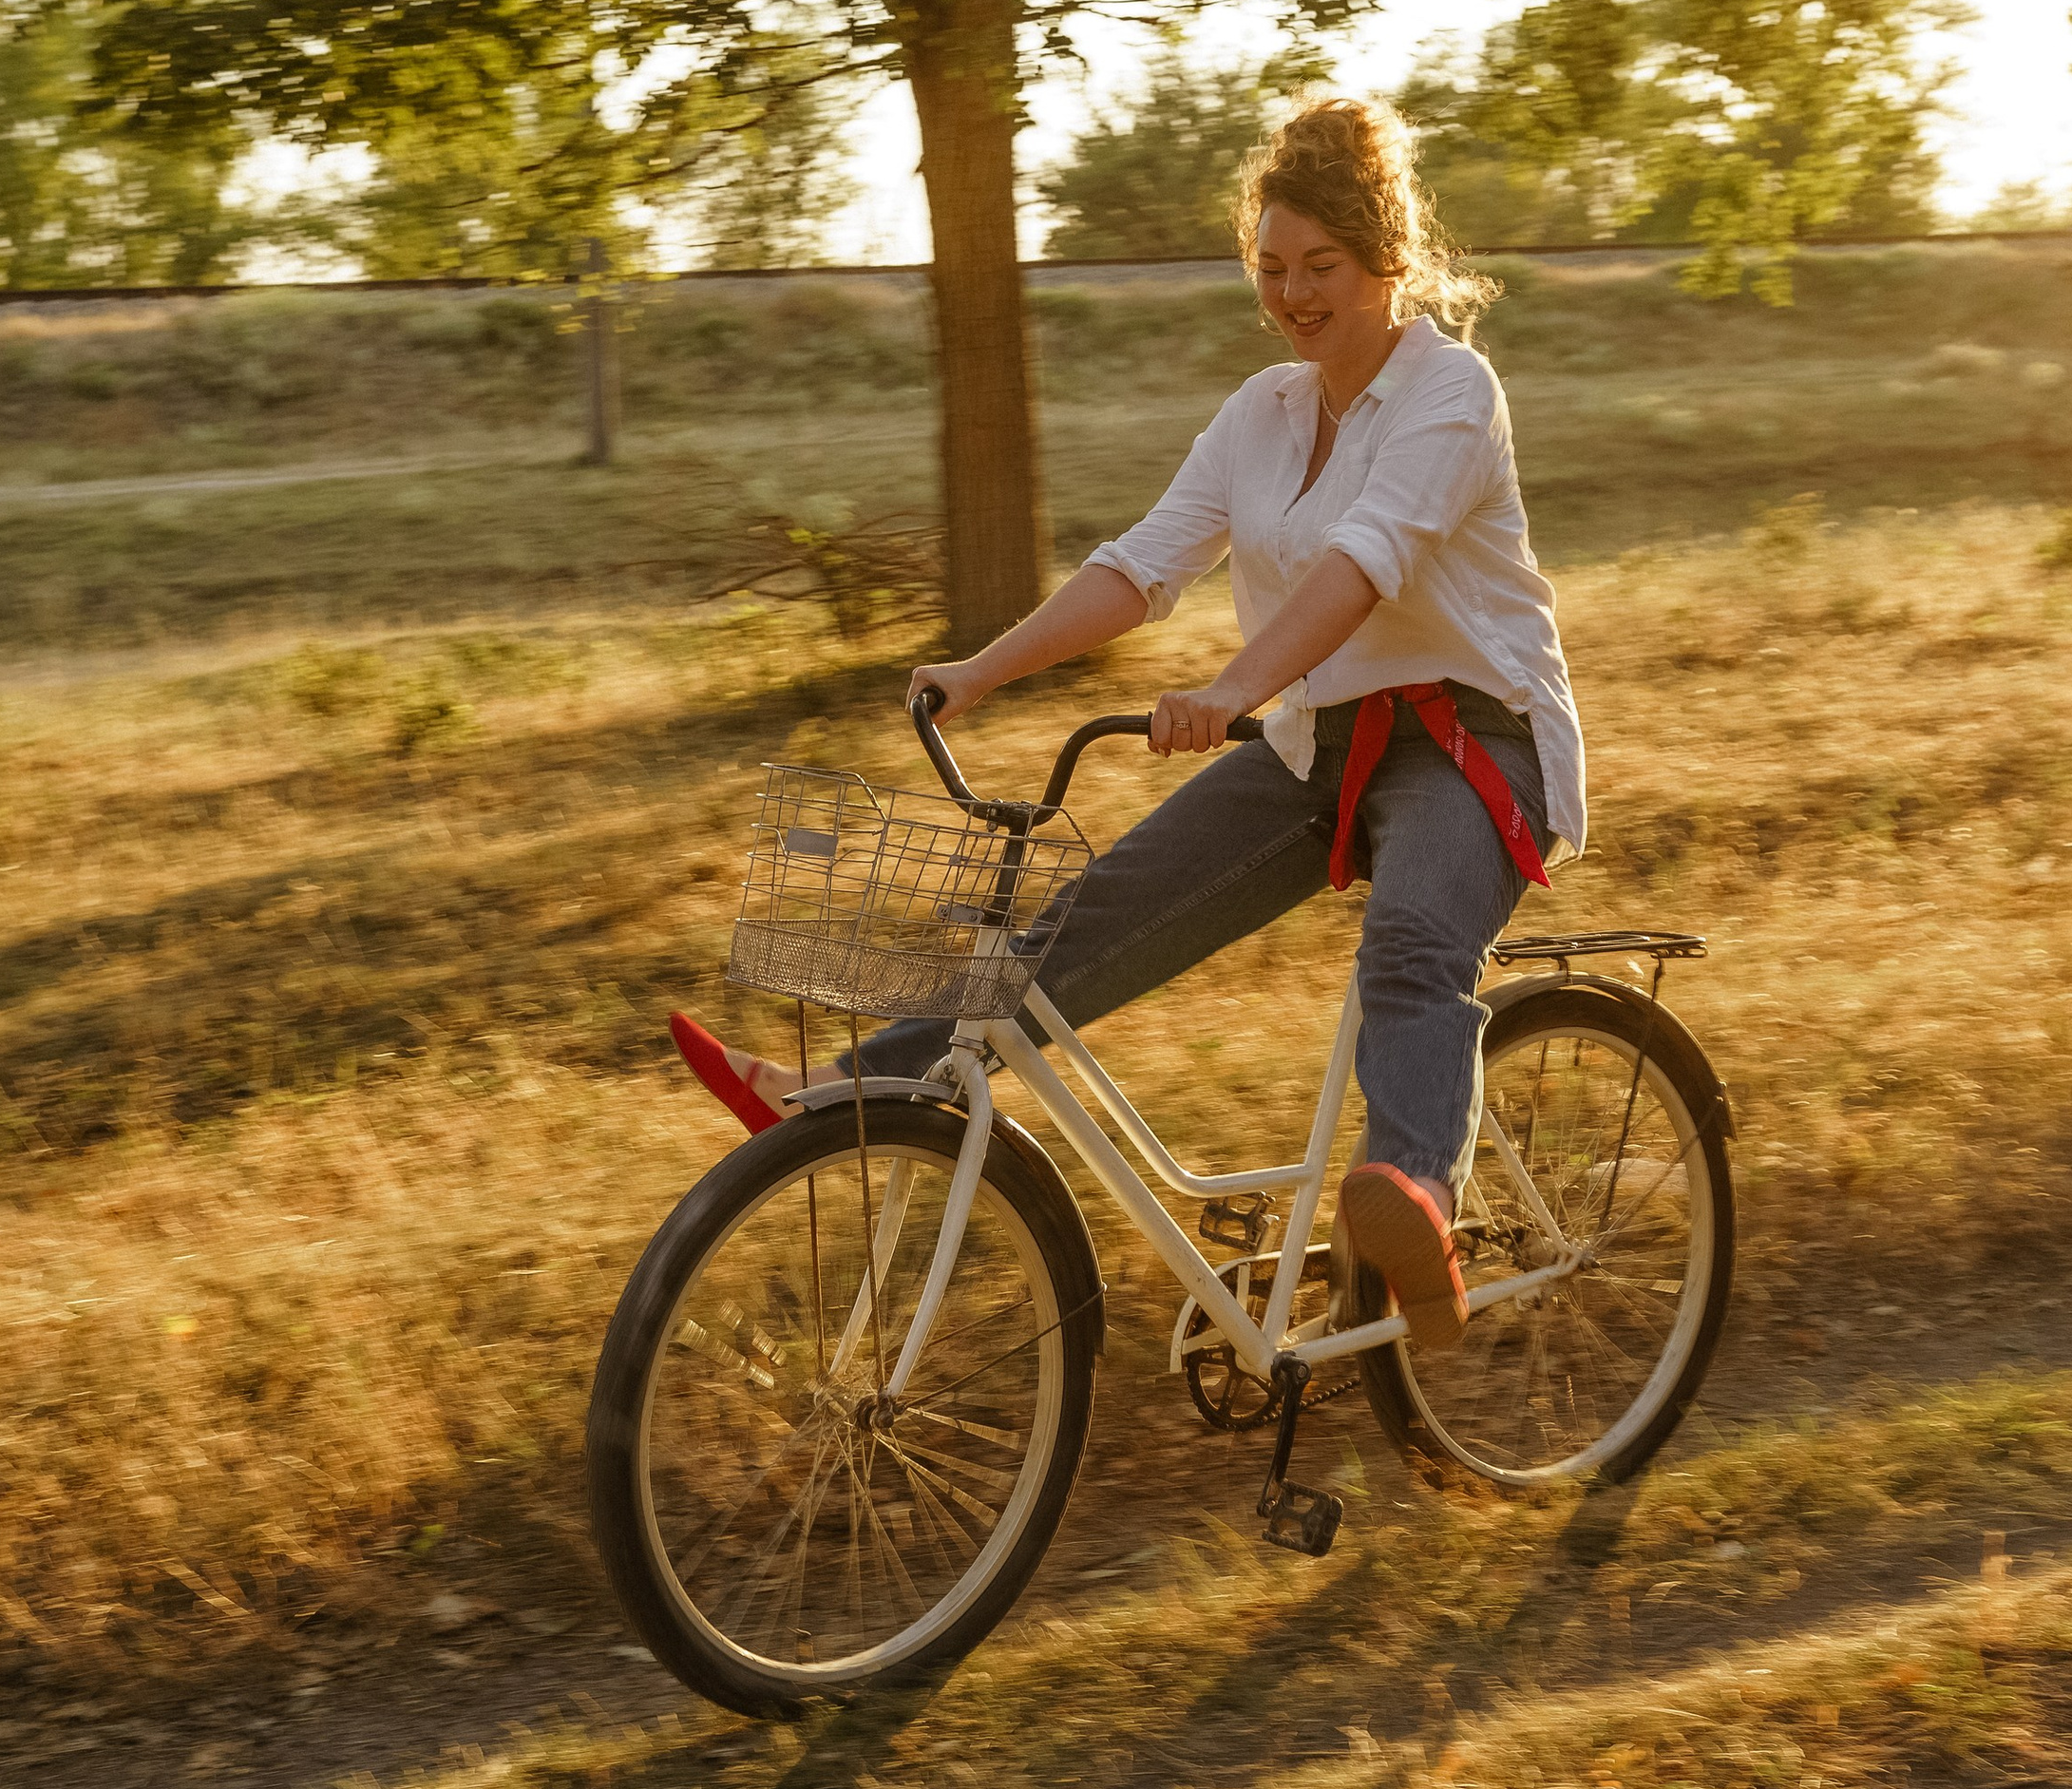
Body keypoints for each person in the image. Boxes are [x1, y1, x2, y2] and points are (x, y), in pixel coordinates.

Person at [670, 93, 1587, 1347]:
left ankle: (1414, 1193)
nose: (1296, 294)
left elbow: (1365, 563)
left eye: (1322, 266)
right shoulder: (1261, 413)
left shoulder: (1450, 392)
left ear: (1389, 260)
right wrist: (985, 669)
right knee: (1078, 928)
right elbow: (1143, 564)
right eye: (1272, 269)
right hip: (1320, 742)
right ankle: (842, 1092)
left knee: (1415, 949)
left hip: (1476, 743)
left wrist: (1230, 690)